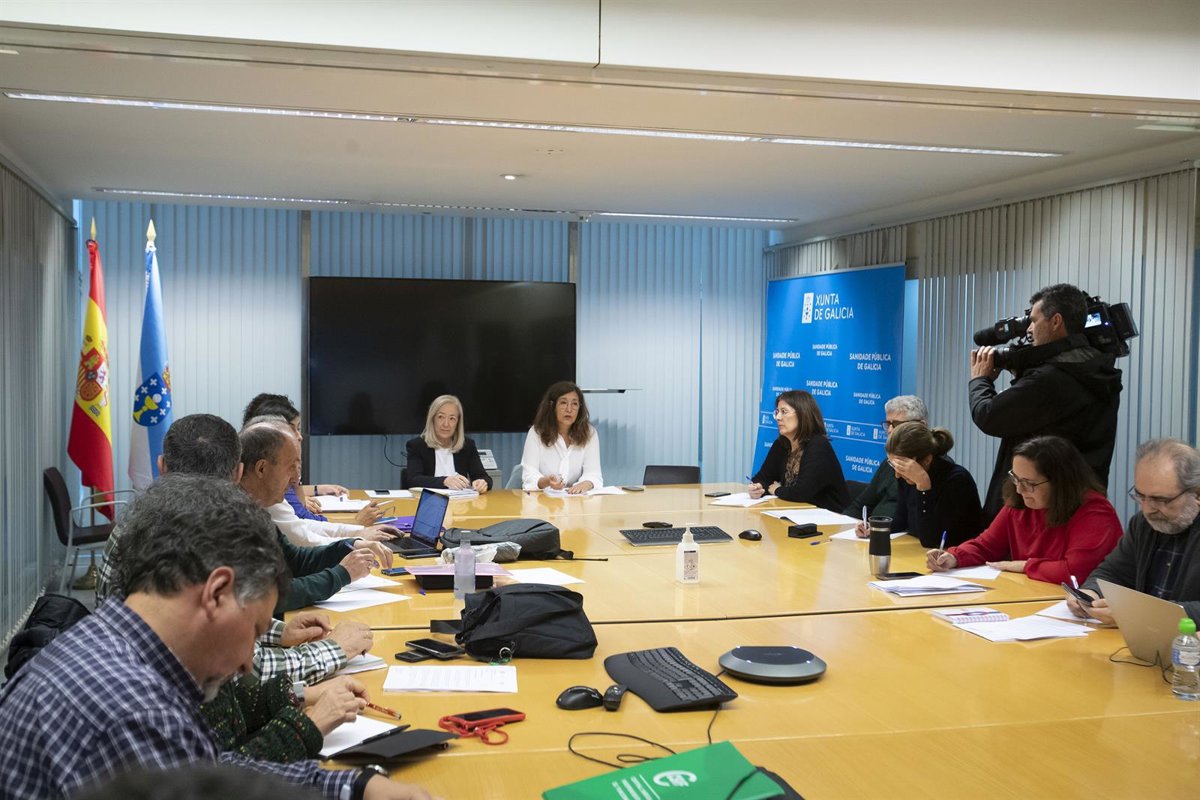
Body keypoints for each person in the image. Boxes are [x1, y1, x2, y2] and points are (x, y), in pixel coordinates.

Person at [0, 474, 433, 800]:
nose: (247, 663)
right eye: (255, 630)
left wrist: (353, 787)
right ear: (217, 592)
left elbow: (205, 770)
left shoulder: (116, 642)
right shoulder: (134, 709)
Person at [93, 413, 377, 687]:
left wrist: (278, 631)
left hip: (109, 673)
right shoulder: (211, 539)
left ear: (161, 466)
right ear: (239, 472)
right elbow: (246, 672)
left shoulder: (132, 522)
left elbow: (209, 630)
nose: (294, 478)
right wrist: (335, 649)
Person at [970, 283, 1123, 522]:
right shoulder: (1091, 367)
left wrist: (980, 380)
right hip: (1072, 501)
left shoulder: (1052, 378)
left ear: (1056, 321)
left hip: (1038, 509)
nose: (1029, 329)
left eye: (1033, 321)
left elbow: (987, 415)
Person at [237, 420, 394, 612]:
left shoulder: (257, 507)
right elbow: (270, 595)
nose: (295, 479)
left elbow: (296, 560)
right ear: (262, 469)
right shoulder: (233, 519)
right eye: (291, 467)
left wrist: (350, 546)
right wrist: (342, 574)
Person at [927, 435, 1122, 582]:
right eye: (1015, 478)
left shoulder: (1094, 511)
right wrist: (954, 557)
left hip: (1077, 608)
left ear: (1060, 482)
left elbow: (1075, 572)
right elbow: (987, 545)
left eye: (1029, 483)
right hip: (1031, 596)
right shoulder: (1021, 502)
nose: (1019, 489)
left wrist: (1025, 566)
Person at [1067, 438, 1200, 624]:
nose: (1147, 509)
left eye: (1160, 500)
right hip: (1143, 636)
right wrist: (1090, 594)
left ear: (1197, 494)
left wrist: (1141, 614)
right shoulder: (1143, 524)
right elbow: (1112, 573)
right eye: (1141, 496)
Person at [243, 393, 387, 527]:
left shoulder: (255, 465)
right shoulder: (270, 480)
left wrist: (316, 488)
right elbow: (301, 524)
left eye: (298, 429)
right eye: (293, 429)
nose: (299, 437)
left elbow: (297, 505)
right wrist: (356, 523)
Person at [855, 423, 982, 547]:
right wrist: (875, 528)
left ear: (927, 460)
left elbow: (931, 540)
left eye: (902, 467)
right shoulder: (906, 476)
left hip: (955, 554)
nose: (897, 475)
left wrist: (924, 487)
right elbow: (901, 519)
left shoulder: (957, 480)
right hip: (920, 550)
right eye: (894, 465)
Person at [749, 390, 848, 511]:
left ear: (802, 414)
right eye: (777, 412)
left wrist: (777, 490)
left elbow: (802, 493)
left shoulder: (818, 446)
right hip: (797, 512)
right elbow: (763, 478)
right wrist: (759, 488)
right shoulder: (781, 445)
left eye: (784, 412)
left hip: (829, 516)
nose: (778, 417)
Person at [843, 395, 928, 520]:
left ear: (921, 426)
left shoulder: (936, 470)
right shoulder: (888, 464)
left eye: (897, 424)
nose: (889, 430)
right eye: (888, 424)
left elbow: (915, 522)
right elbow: (860, 506)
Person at [521, 381, 602, 494]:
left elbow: (594, 474)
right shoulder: (537, 432)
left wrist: (586, 483)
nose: (569, 409)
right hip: (543, 499)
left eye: (574, 404)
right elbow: (529, 474)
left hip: (575, 499)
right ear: (552, 406)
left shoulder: (589, 433)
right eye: (563, 403)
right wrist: (546, 482)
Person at [405, 395, 492, 493]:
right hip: (428, 500)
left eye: (452, 418)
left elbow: (484, 477)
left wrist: (482, 483)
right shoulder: (417, 445)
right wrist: (444, 481)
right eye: (440, 417)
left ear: (457, 423)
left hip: (460, 501)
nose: (446, 424)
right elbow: (413, 480)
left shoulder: (467, 445)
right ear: (432, 419)